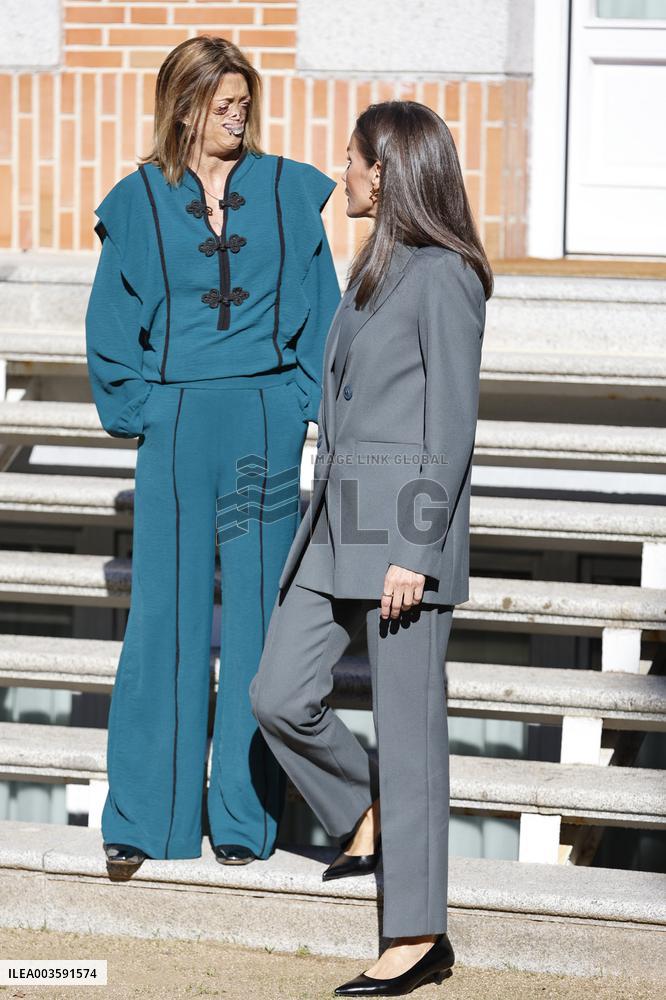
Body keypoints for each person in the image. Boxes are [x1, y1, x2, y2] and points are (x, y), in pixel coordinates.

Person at [250, 100, 492, 996]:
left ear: (386, 171)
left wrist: (416, 551)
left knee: (413, 733)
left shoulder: (445, 276)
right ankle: (363, 807)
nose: (340, 172)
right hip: (335, 520)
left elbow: (452, 429)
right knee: (278, 692)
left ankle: (418, 934)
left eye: (350, 160)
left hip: (403, 535)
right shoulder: (371, 271)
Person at [85, 35, 340, 872]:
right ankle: (145, 819)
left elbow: (324, 307)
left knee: (261, 626)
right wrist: (142, 410)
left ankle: (240, 817)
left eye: (243, 102)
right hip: (175, 423)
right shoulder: (137, 200)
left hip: (265, 418)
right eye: (221, 102)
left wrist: (302, 402)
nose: (237, 115)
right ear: (184, 105)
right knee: (165, 617)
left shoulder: (286, 190)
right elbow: (112, 319)